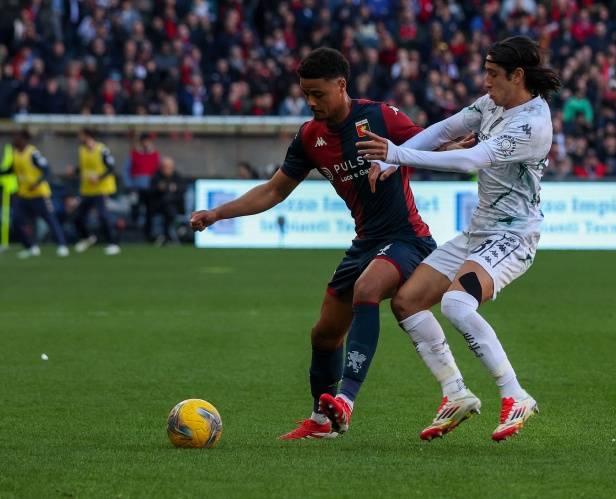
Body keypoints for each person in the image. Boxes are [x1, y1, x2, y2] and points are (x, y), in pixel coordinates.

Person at [190, 48, 437, 440]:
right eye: (306, 93)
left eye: (318, 93)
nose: (310, 101)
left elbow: (430, 142)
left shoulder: (380, 117)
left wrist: (461, 149)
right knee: (324, 334)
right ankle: (321, 421)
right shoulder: (310, 137)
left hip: (408, 238)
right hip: (365, 244)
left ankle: (346, 401)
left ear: (341, 86)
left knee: (367, 289)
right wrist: (218, 213)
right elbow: (274, 191)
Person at [358, 36, 561, 441]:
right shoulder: (492, 104)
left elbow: (471, 159)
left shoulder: (532, 124)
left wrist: (397, 155)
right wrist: (390, 158)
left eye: (492, 73)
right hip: (478, 230)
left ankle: (515, 394)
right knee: (407, 302)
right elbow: (444, 129)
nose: (485, 81)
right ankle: (455, 393)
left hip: (514, 235)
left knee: (455, 303)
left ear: (517, 76)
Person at [8, 130, 69, 258]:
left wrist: (37, 183)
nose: (14, 140)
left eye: (16, 137)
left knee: (50, 219)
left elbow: (47, 170)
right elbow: (11, 170)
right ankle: (31, 247)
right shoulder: (15, 153)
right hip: (24, 195)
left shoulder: (33, 153)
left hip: (39, 194)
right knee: (17, 220)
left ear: (23, 139)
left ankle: (62, 245)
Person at [73, 128, 121, 255]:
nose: (78, 138)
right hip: (87, 189)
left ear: (87, 136)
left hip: (101, 189)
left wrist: (99, 177)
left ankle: (113, 243)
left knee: (103, 216)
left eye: (80, 135)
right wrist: (74, 170)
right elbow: (83, 167)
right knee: (78, 217)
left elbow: (111, 167)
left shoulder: (102, 150)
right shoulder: (81, 150)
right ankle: (87, 238)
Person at [129, 133, 161, 241]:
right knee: (135, 210)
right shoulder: (134, 154)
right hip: (136, 189)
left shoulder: (155, 155)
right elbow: (126, 170)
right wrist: (130, 185)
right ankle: (134, 234)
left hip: (150, 189)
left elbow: (158, 171)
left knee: (149, 212)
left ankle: (148, 234)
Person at [150, 156, 185, 245]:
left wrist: (174, 189)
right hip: (158, 206)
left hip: (175, 206)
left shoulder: (177, 177)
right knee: (166, 204)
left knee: (168, 205)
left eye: (169, 167)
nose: (167, 170)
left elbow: (182, 191)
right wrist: (160, 189)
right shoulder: (156, 177)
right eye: (165, 167)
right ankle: (178, 226)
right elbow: (151, 191)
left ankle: (167, 236)